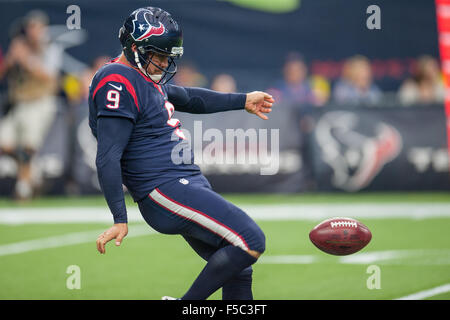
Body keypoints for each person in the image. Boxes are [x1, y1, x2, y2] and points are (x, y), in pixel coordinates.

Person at [89, 7, 274, 300]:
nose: (163, 62)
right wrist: (119, 217)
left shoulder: (142, 76)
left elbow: (191, 98)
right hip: (164, 187)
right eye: (158, 54)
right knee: (250, 240)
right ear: (134, 46)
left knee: (238, 268)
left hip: (183, 182)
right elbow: (108, 155)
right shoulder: (116, 78)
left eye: (167, 56)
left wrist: (243, 100)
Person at [0, 10, 61, 200]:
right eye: (31, 27)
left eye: (37, 27)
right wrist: (12, 58)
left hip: (39, 101)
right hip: (19, 103)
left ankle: (24, 187)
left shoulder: (50, 48)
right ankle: (31, 175)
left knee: (28, 146)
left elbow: (51, 79)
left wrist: (27, 60)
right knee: (4, 143)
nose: (34, 31)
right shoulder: (19, 47)